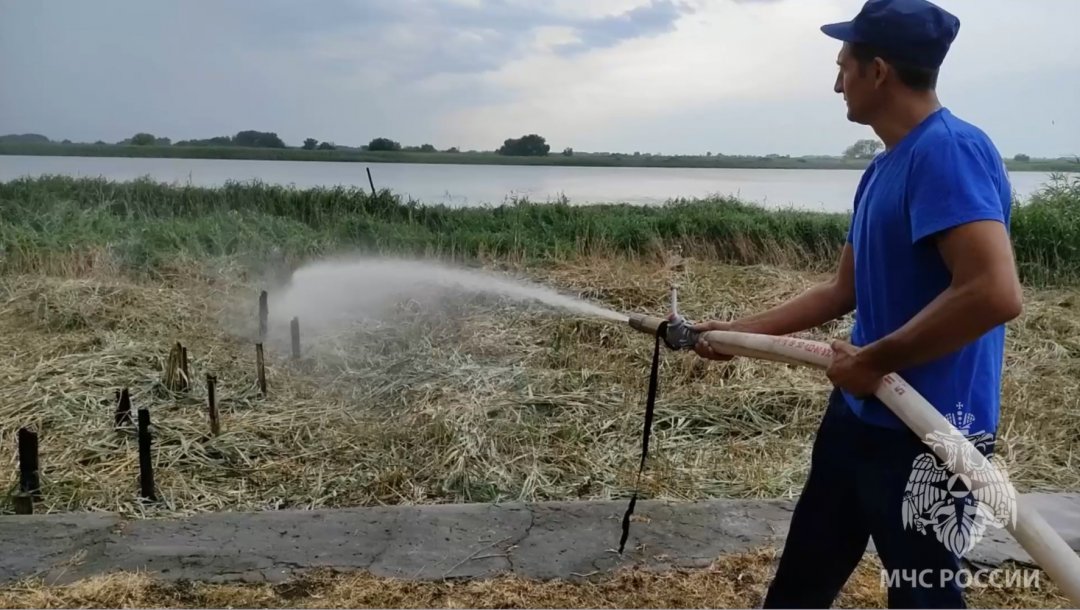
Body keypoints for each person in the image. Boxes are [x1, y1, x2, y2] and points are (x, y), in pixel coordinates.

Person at [691, 0, 1023, 607]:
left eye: (843, 64)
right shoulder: (884, 169)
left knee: (924, 594)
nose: (835, 80)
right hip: (859, 416)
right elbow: (842, 291)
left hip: (933, 429)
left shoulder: (949, 151)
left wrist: (874, 361)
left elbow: (993, 293)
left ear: (879, 71)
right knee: (802, 582)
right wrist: (734, 331)